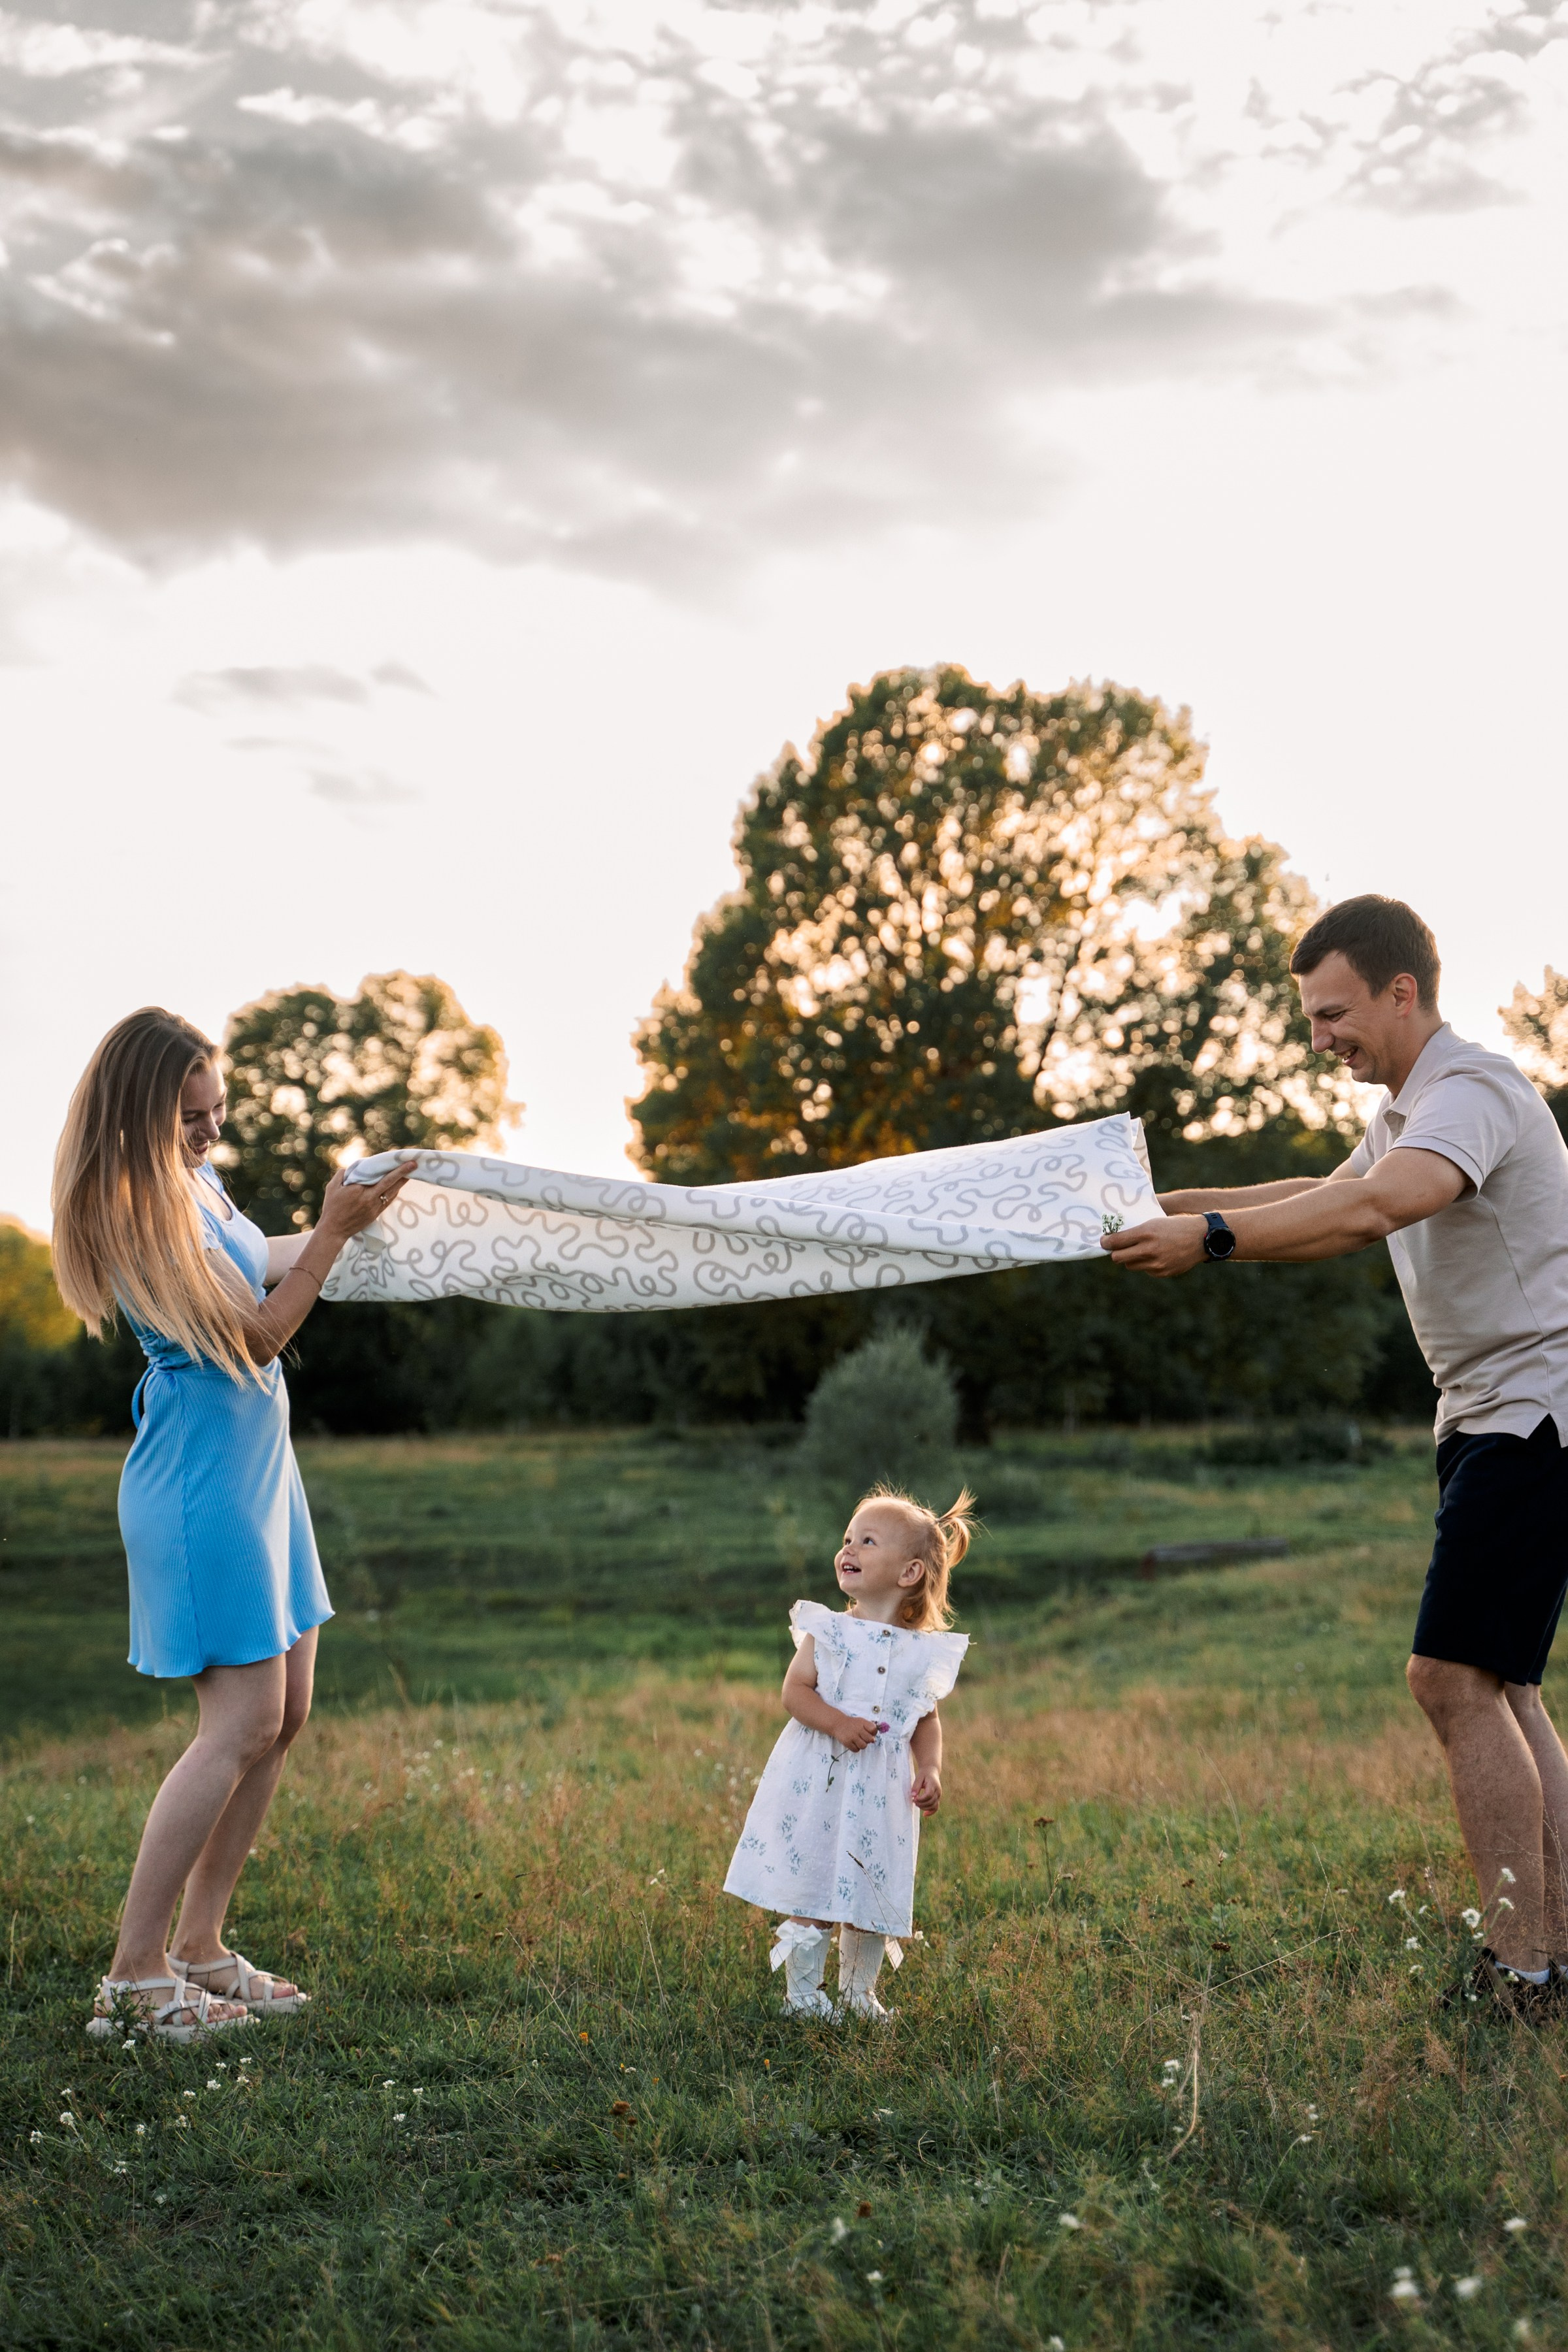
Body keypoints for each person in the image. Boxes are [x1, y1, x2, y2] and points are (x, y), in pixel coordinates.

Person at [1101, 894, 1568, 2017]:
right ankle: (1551, 1954)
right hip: (1489, 1420)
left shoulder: (1473, 1092)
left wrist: (1207, 1244)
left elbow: (1374, 1212)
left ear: (1402, 992)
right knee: (1504, 1684)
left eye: (1334, 1013)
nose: (1321, 1039)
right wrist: (1152, 1206)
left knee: (1449, 1677)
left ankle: (1525, 1971)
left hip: (1534, 1415)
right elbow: (1315, 1193)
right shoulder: (1414, 1105)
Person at [50, 1007, 415, 2044]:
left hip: (263, 1481)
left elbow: (268, 1257)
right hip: (200, 1489)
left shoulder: (194, 1185)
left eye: (217, 1112)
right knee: (241, 1722)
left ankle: (201, 1947)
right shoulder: (133, 1213)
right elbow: (254, 1336)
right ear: (135, 1118)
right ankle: (133, 1975)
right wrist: (336, 1237)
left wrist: (365, 1220)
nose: (212, 1133)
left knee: (285, 1714)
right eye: (190, 1119)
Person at [723, 1485, 973, 2019]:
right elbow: (795, 1693)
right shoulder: (830, 1631)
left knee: (871, 1889)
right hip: (823, 1780)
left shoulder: (919, 1651)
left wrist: (929, 1768)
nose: (848, 1549)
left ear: (908, 1574)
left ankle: (860, 1994)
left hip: (883, 1793)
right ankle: (804, 1996)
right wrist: (837, 1723)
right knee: (815, 1881)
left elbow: (926, 1720)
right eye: (847, 1539)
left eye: (867, 1541)